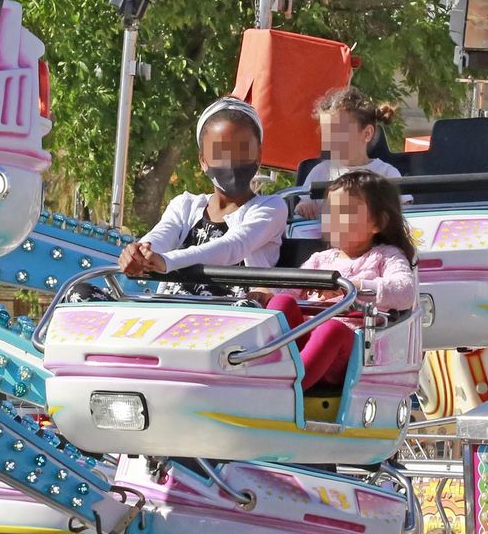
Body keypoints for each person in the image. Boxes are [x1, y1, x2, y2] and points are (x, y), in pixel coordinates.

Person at [119, 97, 289, 296]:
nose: (232, 161)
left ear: (259, 155)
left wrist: (167, 261)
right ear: (203, 160)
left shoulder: (271, 208)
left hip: (233, 316)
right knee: (80, 291)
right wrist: (141, 252)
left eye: (243, 150)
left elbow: (232, 247)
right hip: (170, 312)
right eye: (220, 153)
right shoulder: (185, 205)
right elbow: (162, 235)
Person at [264, 171, 417, 390]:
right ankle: (260, 371)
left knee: (332, 329)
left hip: (349, 351)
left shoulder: (385, 256)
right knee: (281, 304)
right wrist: (268, 294)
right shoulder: (320, 260)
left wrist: (353, 287)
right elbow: (290, 290)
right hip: (305, 339)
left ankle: (287, 390)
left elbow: (405, 292)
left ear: (377, 222)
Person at [294, 87, 403, 219]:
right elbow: (303, 204)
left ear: (367, 134)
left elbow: (405, 214)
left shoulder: (387, 174)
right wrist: (304, 207)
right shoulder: (321, 172)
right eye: (327, 133)